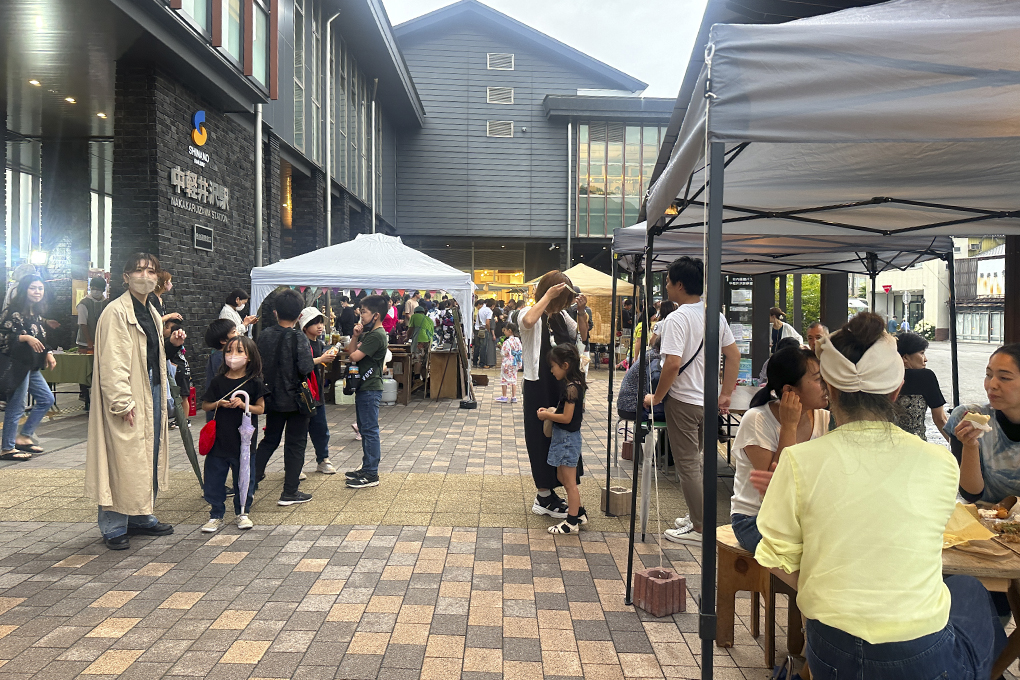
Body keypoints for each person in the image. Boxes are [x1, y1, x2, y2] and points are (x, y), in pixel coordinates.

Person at [755, 312, 1005, 679]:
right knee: (969, 591)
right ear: (896, 389)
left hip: (829, 650)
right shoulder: (938, 462)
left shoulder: (797, 460)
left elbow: (776, 555)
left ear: (829, 388)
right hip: (918, 654)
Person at [644, 256, 740, 546]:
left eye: (669, 281)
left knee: (687, 465)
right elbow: (733, 355)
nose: (667, 286)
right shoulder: (715, 315)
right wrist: (725, 394)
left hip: (683, 401)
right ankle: (696, 515)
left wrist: (656, 396)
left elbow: (672, 363)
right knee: (698, 462)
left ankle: (700, 528)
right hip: (708, 401)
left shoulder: (676, 319)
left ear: (680, 285)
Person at [86, 254, 177, 550]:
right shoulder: (115, 312)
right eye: (138, 270)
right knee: (121, 457)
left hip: (149, 388)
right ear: (125, 277)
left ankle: (139, 514)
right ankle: (113, 524)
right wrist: (122, 402)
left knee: (144, 455)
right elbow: (113, 362)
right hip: (128, 393)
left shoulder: (150, 308)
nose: (145, 275)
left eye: (151, 270)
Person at [730, 347, 829, 553]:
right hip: (754, 520)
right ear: (789, 391)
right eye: (819, 379)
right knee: (817, 551)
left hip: (804, 519)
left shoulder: (825, 419)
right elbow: (775, 489)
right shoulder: (757, 419)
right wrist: (789, 426)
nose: (826, 385)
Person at [520, 271, 588, 519]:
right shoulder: (531, 313)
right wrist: (547, 296)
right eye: (562, 298)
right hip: (539, 385)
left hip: (560, 384)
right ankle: (544, 495)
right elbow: (527, 322)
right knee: (541, 436)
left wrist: (580, 313)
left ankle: (559, 491)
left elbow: (582, 336)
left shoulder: (560, 318)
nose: (563, 305)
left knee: (562, 435)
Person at [254, 289, 315, 506]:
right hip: (297, 400)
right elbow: (306, 367)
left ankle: (251, 481)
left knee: (270, 439)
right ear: (300, 315)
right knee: (295, 444)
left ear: (275, 312)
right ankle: (290, 491)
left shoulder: (265, 335)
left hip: (272, 396)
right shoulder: (299, 337)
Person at [200, 335, 265, 532]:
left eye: (239, 351)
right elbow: (205, 405)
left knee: (245, 477)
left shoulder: (254, 382)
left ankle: (242, 512)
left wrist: (245, 405)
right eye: (229, 351)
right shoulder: (218, 381)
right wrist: (218, 403)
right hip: (219, 440)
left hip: (244, 440)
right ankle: (216, 513)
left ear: (250, 357)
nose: (232, 355)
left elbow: (260, 408)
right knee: (214, 479)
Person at [946, 344, 1020, 504]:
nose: (991, 385)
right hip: (983, 520)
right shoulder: (967, 418)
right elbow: (970, 494)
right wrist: (970, 445)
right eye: (988, 375)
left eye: (1004, 378)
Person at [0, 276, 56, 461]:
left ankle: (23, 437)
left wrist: (47, 353)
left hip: (31, 365)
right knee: (17, 406)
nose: (37, 292)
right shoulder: (12, 312)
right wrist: (25, 338)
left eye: (40, 288)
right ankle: (7, 448)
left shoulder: (36, 314)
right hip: (17, 365)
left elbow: (40, 339)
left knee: (46, 399)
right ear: (24, 290)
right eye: (33, 288)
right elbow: (3, 338)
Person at [538, 343, 588, 534]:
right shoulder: (574, 384)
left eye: (553, 366)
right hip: (565, 438)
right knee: (562, 477)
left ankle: (571, 522)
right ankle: (579, 512)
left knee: (569, 482)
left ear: (565, 365)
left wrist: (547, 416)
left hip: (567, 439)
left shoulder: (571, 388)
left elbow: (567, 418)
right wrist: (551, 411)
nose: (552, 371)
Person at [343, 294, 389, 489]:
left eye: (364, 312)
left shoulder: (376, 335)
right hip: (365, 386)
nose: (361, 315)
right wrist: (355, 335)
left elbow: (353, 356)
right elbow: (350, 351)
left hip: (370, 387)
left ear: (376, 315)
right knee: (366, 428)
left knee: (369, 430)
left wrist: (356, 339)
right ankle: (367, 468)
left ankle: (371, 473)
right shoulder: (370, 334)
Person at [298, 307, 339, 475]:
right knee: (299, 431)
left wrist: (326, 357)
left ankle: (323, 459)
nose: (320, 326)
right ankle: (295, 466)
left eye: (321, 322)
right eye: (315, 323)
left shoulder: (319, 343)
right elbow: (301, 364)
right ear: (304, 326)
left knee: (321, 428)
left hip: (317, 392)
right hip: (302, 392)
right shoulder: (300, 342)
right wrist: (321, 359)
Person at [894, 332, 947, 440]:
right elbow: (940, 419)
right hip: (916, 447)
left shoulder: (882, 377)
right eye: (922, 353)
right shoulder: (925, 376)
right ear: (905, 357)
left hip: (885, 447)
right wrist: (958, 448)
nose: (925, 359)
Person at [163, 320, 192, 428]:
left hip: (180, 371)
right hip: (180, 370)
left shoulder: (174, 342)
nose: (164, 329)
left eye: (167, 327)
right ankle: (180, 419)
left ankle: (185, 420)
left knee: (183, 396)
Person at [76, 276, 108, 352]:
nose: (95, 291)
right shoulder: (83, 303)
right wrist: (89, 341)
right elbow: (82, 323)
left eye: (98, 289)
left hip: (102, 341)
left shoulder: (106, 303)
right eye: (93, 288)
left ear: (103, 290)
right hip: (85, 342)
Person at [497, 322, 522, 404]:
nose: (504, 332)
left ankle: (504, 396)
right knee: (514, 378)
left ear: (510, 331)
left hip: (508, 362)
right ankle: (514, 396)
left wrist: (500, 347)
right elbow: (520, 349)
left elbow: (504, 353)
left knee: (504, 378)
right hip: (515, 361)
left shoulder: (507, 342)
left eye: (506, 330)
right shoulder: (518, 340)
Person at [479, 299, 496, 368]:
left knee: (482, 347)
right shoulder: (489, 312)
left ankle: (482, 362)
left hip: (480, 329)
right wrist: (492, 333)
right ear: (492, 305)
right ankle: (488, 362)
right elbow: (489, 324)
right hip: (486, 331)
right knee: (488, 348)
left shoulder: (481, 310)